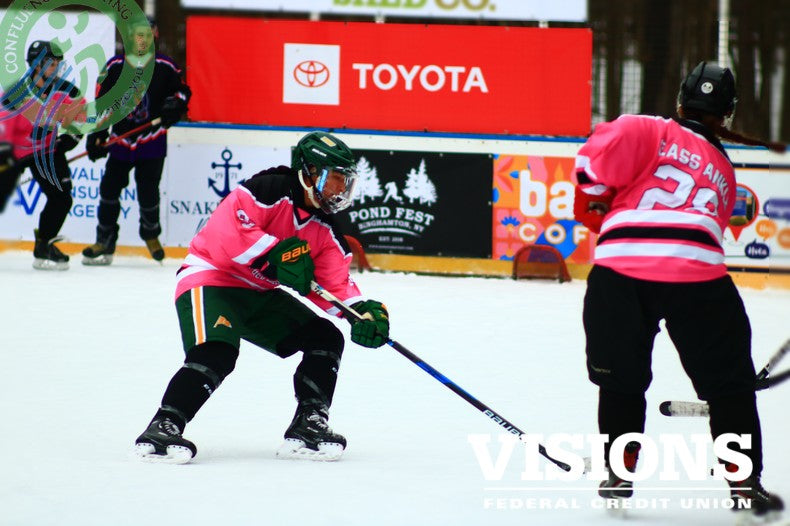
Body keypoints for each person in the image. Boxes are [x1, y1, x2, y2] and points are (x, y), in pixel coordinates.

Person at [574, 61, 785, 519]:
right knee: (730, 390)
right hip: (698, 278)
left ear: (679, 102)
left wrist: (597, 207)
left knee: (621, 384)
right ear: (726, 115)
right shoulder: (724, 171)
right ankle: (744, 484)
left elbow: (592, 177)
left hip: (619, 273)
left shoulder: (646, 128)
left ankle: (618, 471)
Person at [132, 131, 390, 464]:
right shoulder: (266, 190)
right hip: (211, 279)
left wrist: (363, 313)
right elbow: (227, 237)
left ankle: (309, 423)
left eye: (345, 182)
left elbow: (334, 285)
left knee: (325, 337)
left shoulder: (325, 230)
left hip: (258, 294)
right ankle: (164, 425)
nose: (340, 189)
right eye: (334, 179)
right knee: (217, 351)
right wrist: (274, 256)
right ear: (309, 173)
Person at [82, 17, 191, 265]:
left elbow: (183, 91)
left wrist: (174, 104)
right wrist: (97, 134)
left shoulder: (166, 66)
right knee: (109, 189)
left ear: (155, 34)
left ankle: (151, 235)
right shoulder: (114, 66)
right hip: (121, 140)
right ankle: (105, 239)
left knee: (148, 191)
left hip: (151, 140)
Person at [1, 41, 83, 270]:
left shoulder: (66, 90)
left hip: (48, 151)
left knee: (62, 198)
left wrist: (71, 138)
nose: (55, 67)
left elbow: (82, 117)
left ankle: (44, 244)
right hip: (15, 152)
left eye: (57, 63)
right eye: (49, 62)